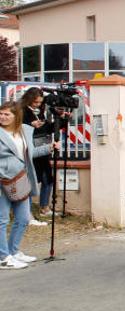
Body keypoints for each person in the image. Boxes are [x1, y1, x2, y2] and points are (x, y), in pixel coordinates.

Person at [0, 101, 58, 269]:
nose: (3, 117)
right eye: (1, 114)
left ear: (16, 116)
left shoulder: (24, 131)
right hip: (3, 180)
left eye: (7, 114)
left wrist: (49, 148)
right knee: (2, 220)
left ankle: (13, 251)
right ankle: (3, 257)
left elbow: (29, 154)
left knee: (24, 218)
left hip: (21, 179)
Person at [20, 88, 54, 223]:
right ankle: (27, 214)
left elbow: (45, 128)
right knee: (30, 181)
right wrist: (30, 125)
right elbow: (16, 127)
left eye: (40, 102)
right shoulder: (21, 110)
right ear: (28, 99)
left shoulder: (39, 111)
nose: (37, 105)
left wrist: (60, 121)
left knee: (48, 178)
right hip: (30, 148)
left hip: (42, 146)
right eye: (35, 102)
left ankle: (44, 207)